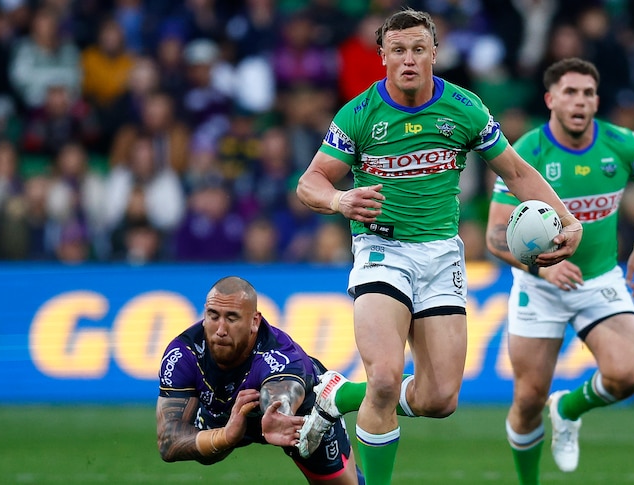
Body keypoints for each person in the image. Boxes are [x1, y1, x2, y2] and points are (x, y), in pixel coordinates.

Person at [295, 9, 583, 484]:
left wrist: (569, 219)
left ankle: (336, 395)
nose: (409, 59)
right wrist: (340, 199)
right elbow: (310, 182)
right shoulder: (360, 113)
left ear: (434, 52)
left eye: (418, 49)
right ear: (383, 56)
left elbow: (516, 172)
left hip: (441, 255)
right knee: (385, 379)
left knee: (439, 400)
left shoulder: (465, 108)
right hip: (382, 252)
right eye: (398, 50)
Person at [485, 57, 634, 483]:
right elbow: (494, 235)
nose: (579, 101)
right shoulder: (526, 151)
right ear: (550, 99)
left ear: (597, 100)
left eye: (587, 93)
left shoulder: (623, 145)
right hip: (540, 285)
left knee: (628, 375)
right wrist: (543, 271)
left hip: (599, 277)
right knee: (528, 399)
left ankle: (569, 409)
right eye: (570, 92)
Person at [155, 276, 364, 484]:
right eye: (213, 316)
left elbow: (281, 391)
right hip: (226, 414)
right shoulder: (183, 353)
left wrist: (280, 413)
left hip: (297, 416)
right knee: (206, 454)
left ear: (254, 321)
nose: (220, 330)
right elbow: (168, 441)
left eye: (232, 318)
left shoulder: (280, 355)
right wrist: (225, 437)